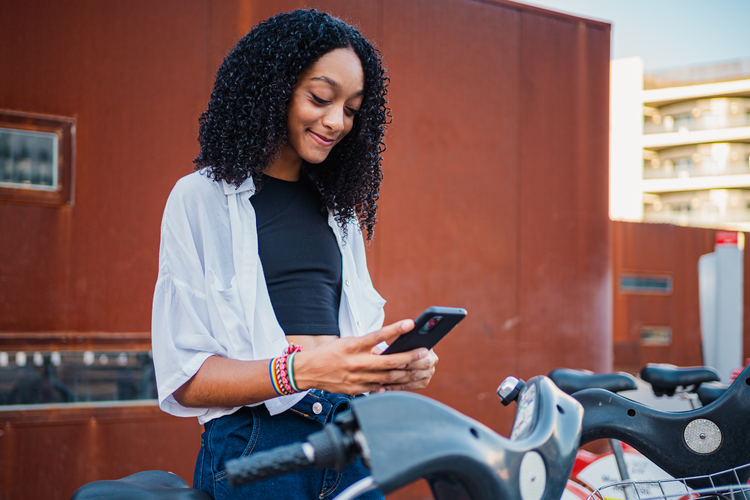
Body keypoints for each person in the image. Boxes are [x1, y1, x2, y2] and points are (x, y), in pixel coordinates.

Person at [151, 9, 439, 500]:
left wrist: (390, 369)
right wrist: (301, 372)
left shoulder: (340, 214)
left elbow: (343, 352)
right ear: (273, 89)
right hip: (260, 447)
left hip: (349, 439)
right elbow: (186, 379)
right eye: (321, 98)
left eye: (352, 109)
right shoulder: (198, 199)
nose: (336, 122)